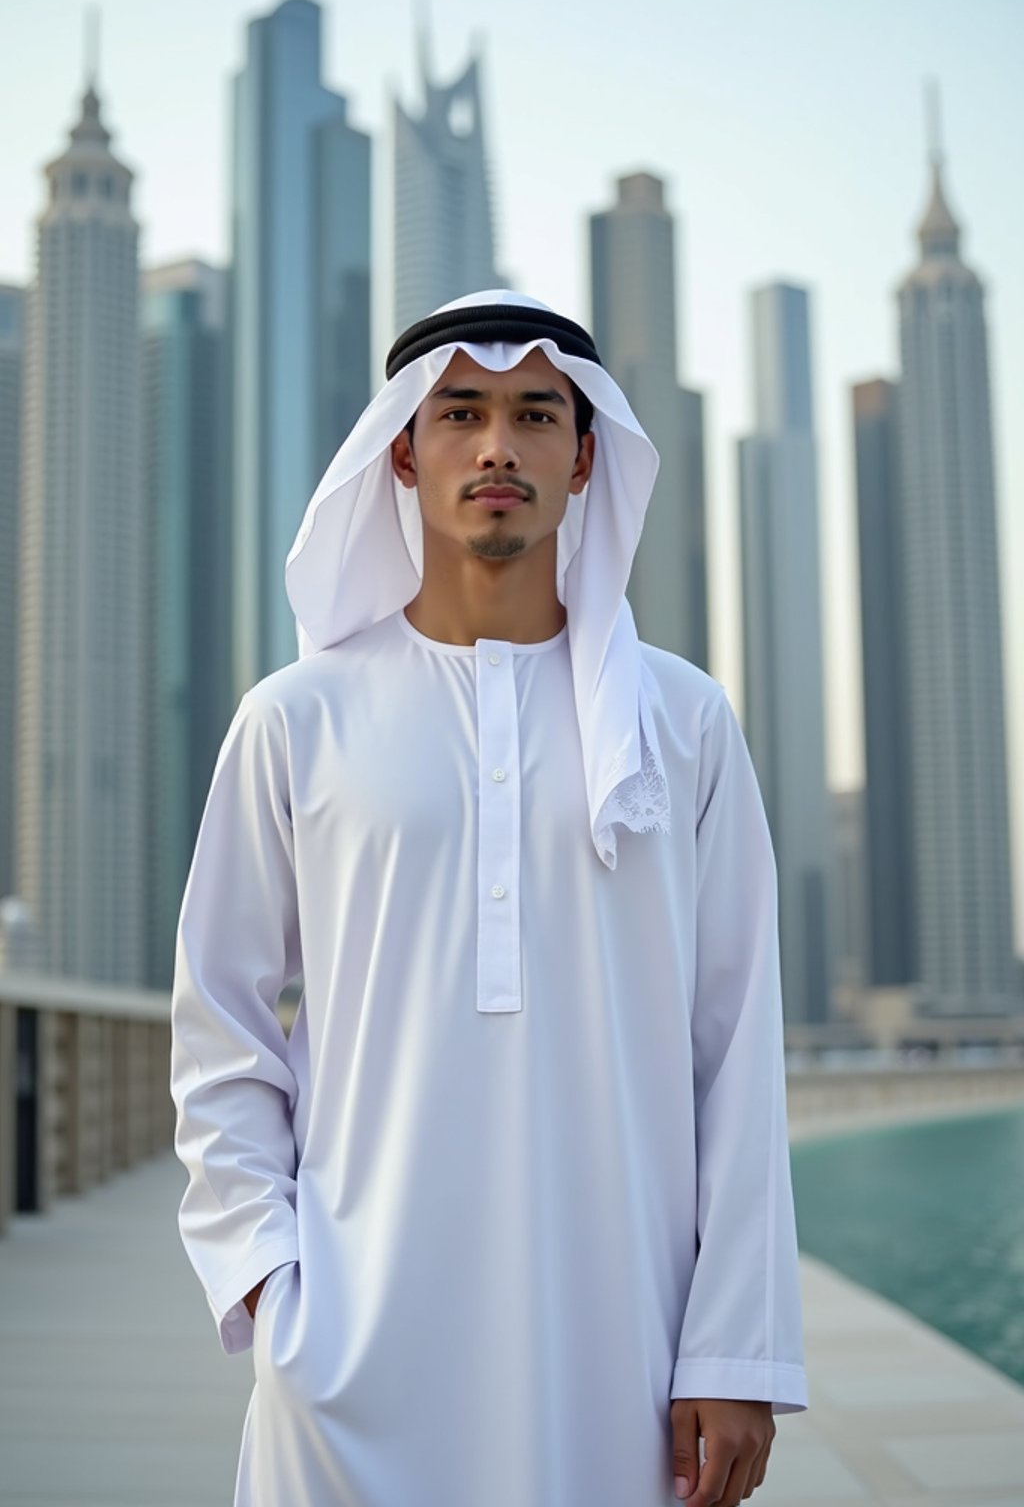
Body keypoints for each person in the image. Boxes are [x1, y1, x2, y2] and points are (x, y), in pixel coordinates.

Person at [170, 289, 808, 1507]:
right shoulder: (296, 722)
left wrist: (731, 1351)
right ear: (403, 453)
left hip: (623, 1349)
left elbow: (735, 1056)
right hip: (349, 1362)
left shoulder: (684, 725)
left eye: (534, 415)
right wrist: (269, 1284)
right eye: (460, 413)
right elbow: (220, 1029)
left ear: (585, 456)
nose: (498, 447)